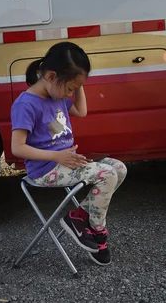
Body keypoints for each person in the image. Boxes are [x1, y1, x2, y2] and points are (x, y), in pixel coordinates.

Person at [10, 41, 127, 266]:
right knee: (107, 174)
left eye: (74, 88)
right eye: (70, 88)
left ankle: (79, 217)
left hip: (65, 163)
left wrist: (77, 83)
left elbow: (82, 111)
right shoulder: (26, 104)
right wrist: (56, 156)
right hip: (45, 170)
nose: (71, 93)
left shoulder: (58, 97)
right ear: (51, 76)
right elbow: (18, 148)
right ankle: (97, 231)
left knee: (118, 168)